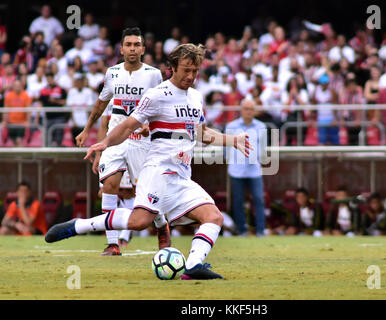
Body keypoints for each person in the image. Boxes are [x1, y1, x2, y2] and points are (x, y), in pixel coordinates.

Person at [46, 43, 253, 280]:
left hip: (182, 177)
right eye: (186, 70)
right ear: (172, 68)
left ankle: (193, 266)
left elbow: (203, 134)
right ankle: (78, 225)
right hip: (157, 172)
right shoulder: (156, 95)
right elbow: (127, 126)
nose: (191, 76)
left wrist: (232, 139)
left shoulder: (196, 97)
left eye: (195, 71)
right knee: (139, 222)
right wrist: (105, 143)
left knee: (214, 217)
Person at [74, 27, 170, 256]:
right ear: (122, 48)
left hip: (140, 139)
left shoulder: (153, 74)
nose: (133, 49)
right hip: (115, 139)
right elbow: (101, 104)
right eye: (129, 44)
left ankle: (161, 226)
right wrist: (87, 130)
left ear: (143, 49)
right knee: (109, 187)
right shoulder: (112, 73)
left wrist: (151, 125)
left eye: (137, 44)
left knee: (143, 191)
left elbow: (160, 107)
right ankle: (113, 243)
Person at [225, 99, 267, 237]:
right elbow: (227, 148)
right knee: (238, 201)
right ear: (241, 110)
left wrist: (257, 158)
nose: (249, 111)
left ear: (254, 111)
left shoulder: (261, 126)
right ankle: (242, 230)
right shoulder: (231, 126)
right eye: (246, 109)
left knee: (258, 199)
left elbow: (262, 149)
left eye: (251, 109)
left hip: (254, 169)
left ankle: (261, 230)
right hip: (237, 170)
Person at [38, 72, 67, 146]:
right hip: (48, 117)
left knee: (58, 135)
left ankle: (58, 149)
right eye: (48, 79)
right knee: (47, 136)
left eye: (51, 78)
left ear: (53, 79)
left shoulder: (61, 89)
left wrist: (55, 101)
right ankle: (48, 152)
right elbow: (40, 103)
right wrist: (37, 116)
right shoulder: (43, 91)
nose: (49, 80)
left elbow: (64, 102)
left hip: (59, 116)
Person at [2, 80, 32, 147]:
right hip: (11, 122)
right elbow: (6, 110)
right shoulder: (9, 95)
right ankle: (17, 157)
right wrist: (4, 121)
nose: (17, 87)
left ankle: (21, 156)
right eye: (15, 86)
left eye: (18, 86)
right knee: (13, 141)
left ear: (21, 86)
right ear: (13, 86)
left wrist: (27, 121)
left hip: (21, 123)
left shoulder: (25, 95)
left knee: (19, 140)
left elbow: (28, 110)